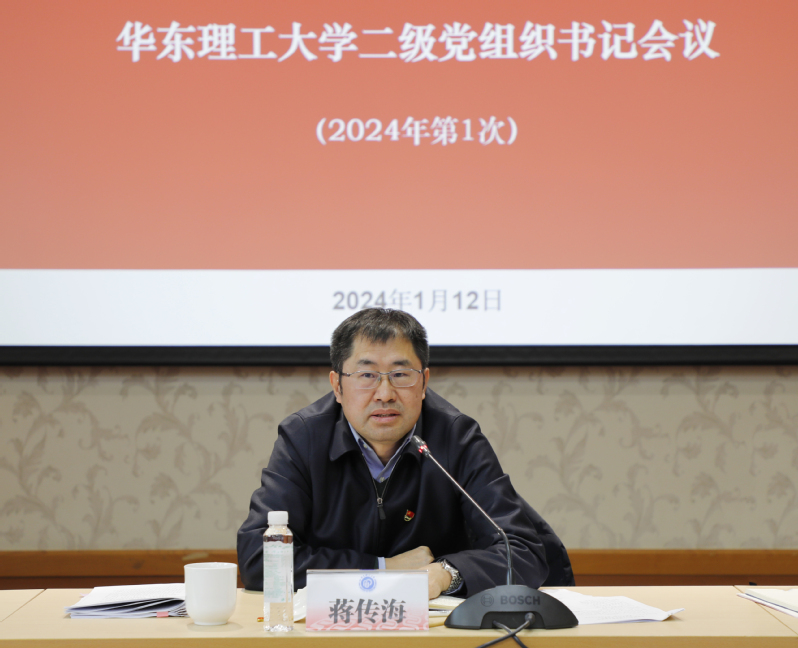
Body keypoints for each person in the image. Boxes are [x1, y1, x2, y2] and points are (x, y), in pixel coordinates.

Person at [237, 308, 572, 598]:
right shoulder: (304, 438)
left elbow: (522, 551)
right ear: (337, 386)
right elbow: (260, 557)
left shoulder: (455, 437)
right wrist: (382, 569)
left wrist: (446, 574)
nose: (385, 393)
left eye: (400, 375)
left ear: (424, 382)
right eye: (367, 375)